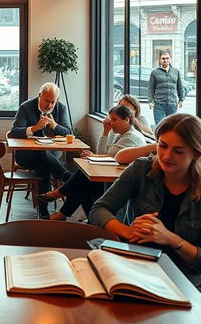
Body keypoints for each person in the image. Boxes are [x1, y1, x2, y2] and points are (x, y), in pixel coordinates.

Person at [90, 114, 201, 289]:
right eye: (162, 146)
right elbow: (98, 209)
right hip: (135, 269)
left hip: (182, 281)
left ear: (196, 153)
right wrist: (127, 232)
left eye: (178, 151)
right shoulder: (142, 170)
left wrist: (171, 239)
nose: (166, 156)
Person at [39, 104, 146, 220]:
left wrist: (97, 156)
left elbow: (110, 156)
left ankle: (61, 196)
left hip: (121, 184)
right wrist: (105, 132)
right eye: (110, 119)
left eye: (114, 120)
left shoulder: (131, 137)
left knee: (81, 181)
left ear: (126, 119)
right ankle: (68, 211)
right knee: (82, 181)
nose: (111, 123)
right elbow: (103, 152)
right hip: (113, 178)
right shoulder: (121, 135)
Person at [10, 82, 72, 217]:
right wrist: (35, 128)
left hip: (50, 156)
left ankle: (43, 211)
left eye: (53, 102)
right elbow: (14, 132)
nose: (49, 106)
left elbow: (69, 133)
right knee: (42, 152)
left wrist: (55, 125)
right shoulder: (26, 107)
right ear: (39, 96)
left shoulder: (61, 109)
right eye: (46, 101)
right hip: (26, 155)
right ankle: (67, 178)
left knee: (44, 166)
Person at [148, 51, 185, 125]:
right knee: (159, 125)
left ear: (170, 59)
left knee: (172, 126)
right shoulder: (154, 72)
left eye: (167, 58)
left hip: (172, 104)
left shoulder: (176, 71)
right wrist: (150, 101)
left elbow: (180, 87)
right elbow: (151, 88)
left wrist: (181, 99)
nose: (165, 60)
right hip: (159, 104)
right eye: (163, 58)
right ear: (160, 60)